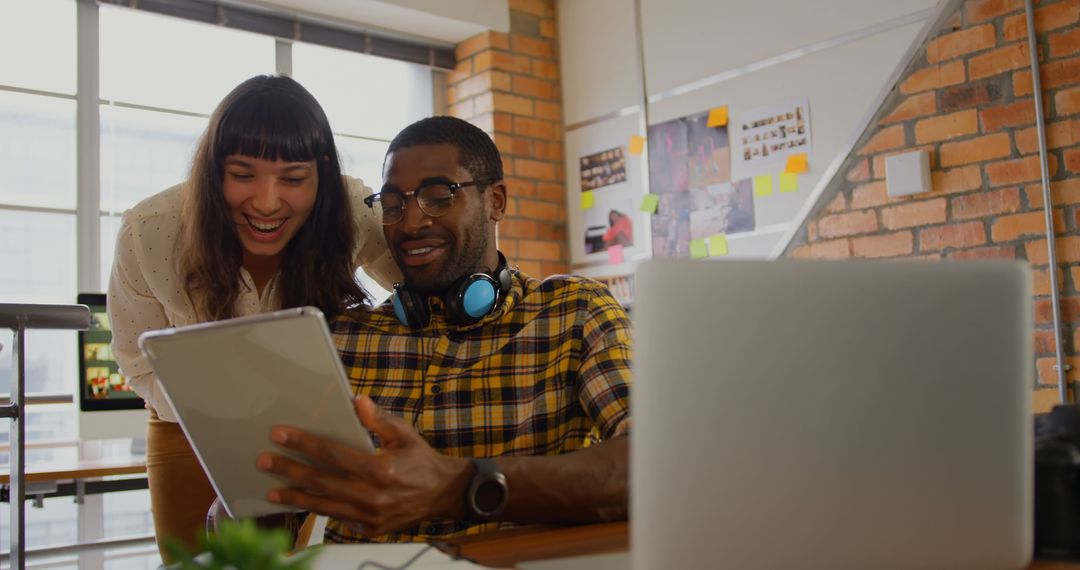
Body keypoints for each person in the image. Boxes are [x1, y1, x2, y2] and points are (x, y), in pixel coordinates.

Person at [255, 116, 632, 543]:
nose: (411, 223)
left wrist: (460, 485)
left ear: (496, 201)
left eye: (438, 197)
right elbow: (288, 505)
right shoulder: (341, 336)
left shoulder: (574, 312)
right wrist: (247, 504)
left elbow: (652, 462)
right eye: (394, 204)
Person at [107, 75, 400, 559]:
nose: (266, 202)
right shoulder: (149, 232)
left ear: (321, 173)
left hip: (307, 429)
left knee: (297, 563)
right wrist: (217, 417)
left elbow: (423, 286)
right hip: (185, 428)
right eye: (242, 175)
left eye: (292, 178)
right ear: (212, 172)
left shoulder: (350, 208)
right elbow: (134, 359)